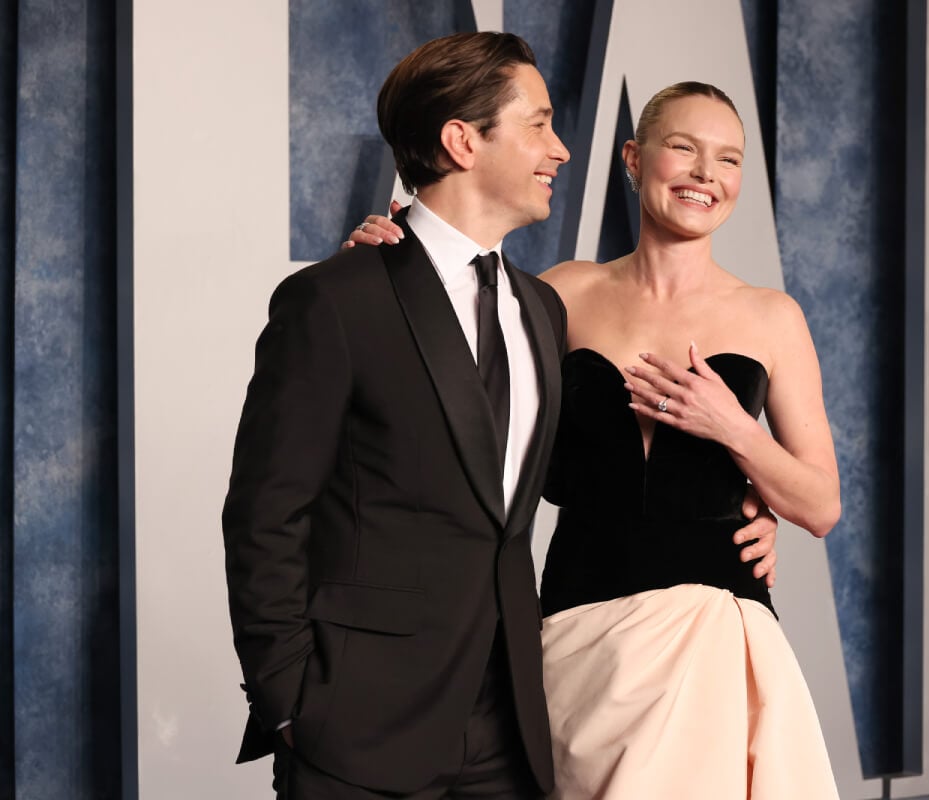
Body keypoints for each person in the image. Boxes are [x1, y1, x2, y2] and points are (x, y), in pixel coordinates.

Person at [225, 32, 779, 800]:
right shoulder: (336, 299)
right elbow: (265, 515)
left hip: (513, 726)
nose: (561, 149)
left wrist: (741, 500)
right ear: (462, 141)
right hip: (356, 725)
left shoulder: (541, 309)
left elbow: (571, 471)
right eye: (539, 124)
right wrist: (289, 702)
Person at [349, 82, 841, 798]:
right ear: (635, 160)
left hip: (713, 634)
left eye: (727, 159)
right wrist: (383, 269)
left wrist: (732, 430)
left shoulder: (773, 317)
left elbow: (820, 504)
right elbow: (440, 384)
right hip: (576, 632)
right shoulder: (562, 293)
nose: (707, 174)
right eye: (684, 148)